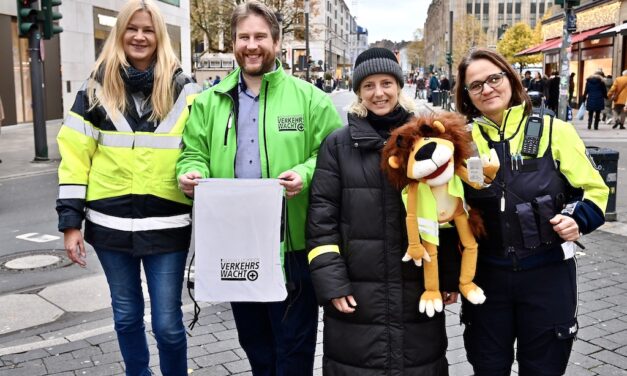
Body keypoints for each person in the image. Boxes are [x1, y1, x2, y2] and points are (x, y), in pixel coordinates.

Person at [175, 1, 342, 375]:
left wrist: (305, 172)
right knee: (256, 347)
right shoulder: (207, 102)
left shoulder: (310, 99)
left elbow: (333, 156)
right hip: (235, 247)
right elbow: (192, 153)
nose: (252, 45)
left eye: (260, 37)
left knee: (294, 350)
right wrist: (189, 174)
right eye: (244, 37)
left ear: (277, 42)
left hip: (293, 246)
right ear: (234, 42)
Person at [55, 1, 201, 375]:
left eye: (148, 29)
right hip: (110, 228)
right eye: (132, 29)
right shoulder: (94, 90)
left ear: (159, 37)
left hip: (167, 228)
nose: (139, 36)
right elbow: (74, 158)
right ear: (120, 34)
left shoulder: (186, 92)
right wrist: (71, 224)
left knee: (168, 325)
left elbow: (200, 150)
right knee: (125, 316)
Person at [455, 48, 608, 376]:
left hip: (548, 275)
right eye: (476, 85)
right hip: (487, 279)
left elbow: (596, 190)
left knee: (544, 369)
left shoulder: (555, 131)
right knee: (488, 367)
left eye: (494, 78)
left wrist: (577, 219)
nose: (487, 89)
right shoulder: (461, 142)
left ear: (510, 80)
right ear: (466, 96)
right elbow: (448, 207)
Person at [307, 47, 460, 374]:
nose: (379, 93)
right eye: (369, 85)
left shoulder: (427, 138)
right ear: (358, 92)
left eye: (386, 83)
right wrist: (332, 283)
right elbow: (321, 220)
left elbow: (445, 214)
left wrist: (447, 276)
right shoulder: (337, 145)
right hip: (358, 295)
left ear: (399, 86)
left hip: (417, 288)